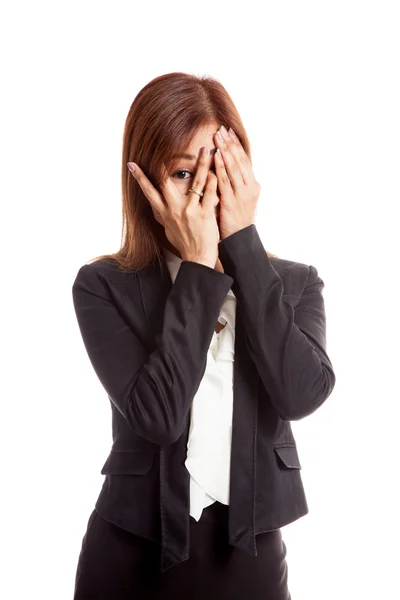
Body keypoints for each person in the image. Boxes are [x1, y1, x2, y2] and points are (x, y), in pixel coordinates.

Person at [71, 71, 336, 599]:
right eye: (183, 174)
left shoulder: (296, 284)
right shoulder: (103, 286)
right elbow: (159, 418)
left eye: (219, 171)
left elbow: (302, 394)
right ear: (144, 183)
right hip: (128, 559)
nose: (205, 194)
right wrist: (198, 266)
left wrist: (243, 248)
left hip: (251, 563)